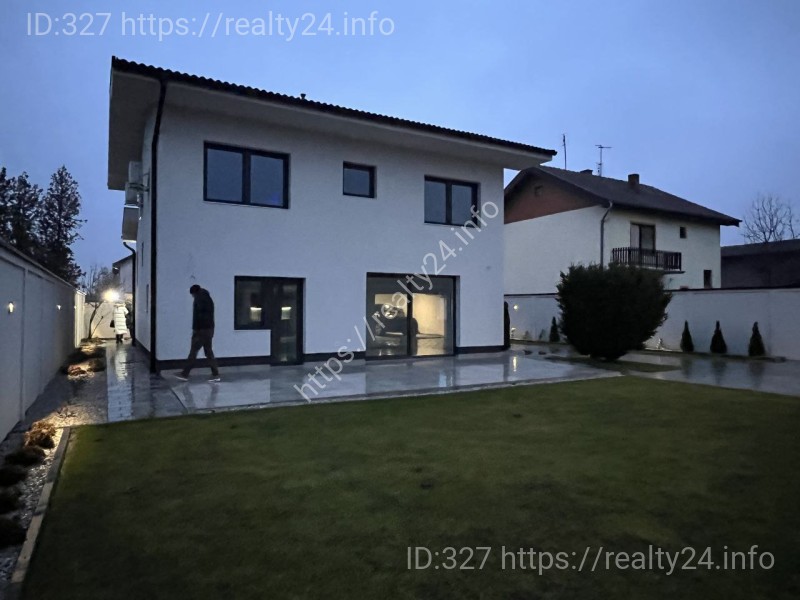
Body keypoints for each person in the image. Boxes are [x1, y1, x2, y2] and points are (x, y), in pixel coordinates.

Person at [175, 284, 221, 382]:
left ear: (194, 293)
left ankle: (185, 374)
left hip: (202, 330)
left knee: (194, 351)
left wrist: (196, 330)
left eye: (192, 295)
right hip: (209, 329)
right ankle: (215, 374)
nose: (192, 297)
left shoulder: (200, 299)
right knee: (208, 352)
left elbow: (199, 316)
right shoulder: (207, 298)